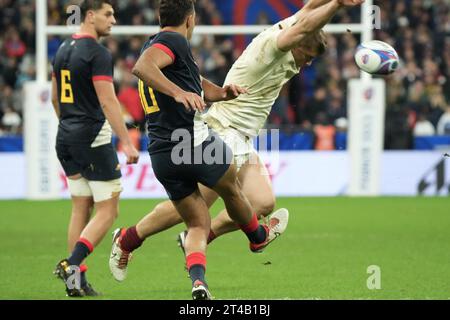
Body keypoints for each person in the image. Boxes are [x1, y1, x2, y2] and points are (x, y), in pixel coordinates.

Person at [109, 0, 363, 294]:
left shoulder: (285, 31)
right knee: (195, 209)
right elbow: (306, 24)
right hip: (225, 131)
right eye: (307, 55)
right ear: (298, 43)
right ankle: (129, 239)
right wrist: (339, 6)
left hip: (240, 136)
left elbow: (306, 13)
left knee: (263, 202)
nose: (307, 63)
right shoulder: (274, 47)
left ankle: (206, 237)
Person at [111, 0, 286, 300]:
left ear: (159, 16)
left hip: (163, 153)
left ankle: (198, 283)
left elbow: (190, 82)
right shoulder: (173, 40)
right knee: (232, 190)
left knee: (197, 222)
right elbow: (143, 68)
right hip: (192, 144)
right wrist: (179, 93)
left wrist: (220, 93)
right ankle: (258, 237)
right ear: (190, 19)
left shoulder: (157, 44)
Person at [51, 0, 140, 297]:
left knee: (80, 206)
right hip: (92, 137)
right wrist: (126, 141)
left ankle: (76, 282)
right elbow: (107, 100)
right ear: (90, 16)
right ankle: (71, 264)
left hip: (65, 136)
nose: (113, 20)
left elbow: (55, 98)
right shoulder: (98, 53)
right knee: (108, 210)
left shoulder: (63, 50)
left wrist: (70, 128)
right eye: (108, 14)